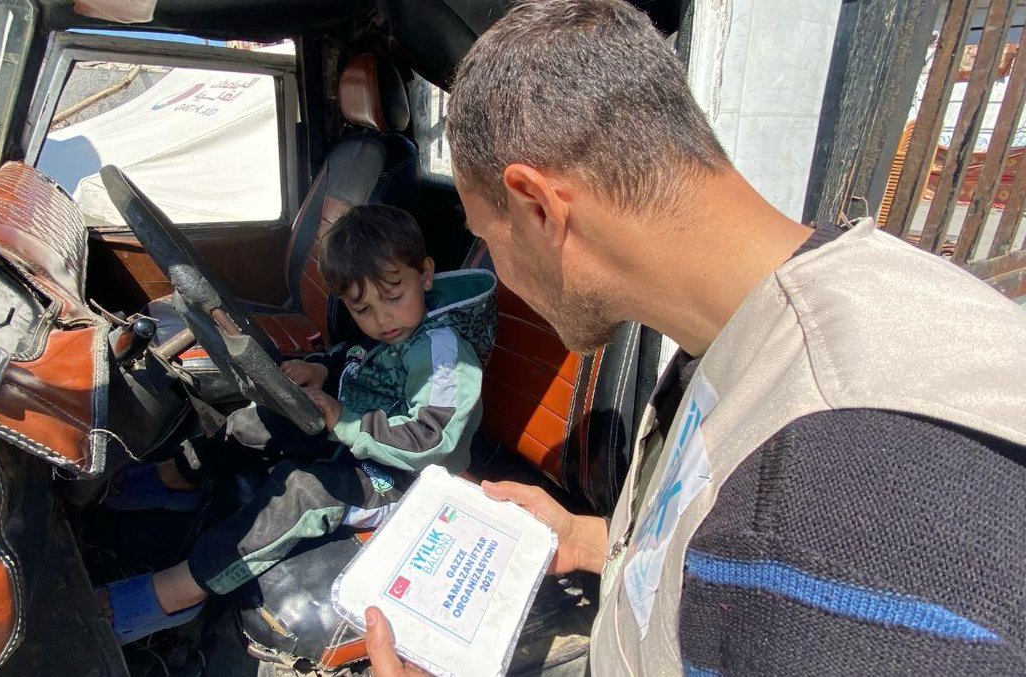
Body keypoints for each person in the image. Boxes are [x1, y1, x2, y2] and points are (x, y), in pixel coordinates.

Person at [365, 0, 1026, 674]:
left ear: (537, 207)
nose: (495, 269)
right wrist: (594, 541)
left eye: (484, 235)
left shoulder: (830, 516)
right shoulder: (775, 320)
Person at [104, 204, 497, 644]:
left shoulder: (444, 353)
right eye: (361, 308)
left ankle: (179, 591)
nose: (381, 319)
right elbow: (359, 361)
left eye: (392, 297)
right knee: (259, 422)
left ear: (425, 275)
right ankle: (177, 476)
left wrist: (344, 420)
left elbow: (433, 439)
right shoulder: (400, 330)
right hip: (355, 434)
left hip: (407, 478)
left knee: (305, 494)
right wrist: (323, 370)